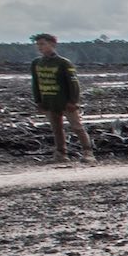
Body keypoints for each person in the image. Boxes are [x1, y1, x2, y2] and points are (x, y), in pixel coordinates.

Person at [29, 34, 95, 165]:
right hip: (49, 102)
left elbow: (74, 84)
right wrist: (38, 101)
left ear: (52, 45)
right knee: (56, 129)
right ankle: (61, 153)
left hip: (66, 102)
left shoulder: (63, 63)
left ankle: (88, 153)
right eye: (38, 44)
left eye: (42, 44)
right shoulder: (36, 63)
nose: (39, 47)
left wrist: (73, 102)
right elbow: (35, 83)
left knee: (77, 127)